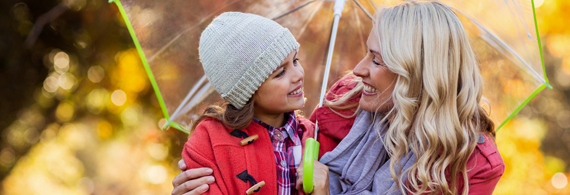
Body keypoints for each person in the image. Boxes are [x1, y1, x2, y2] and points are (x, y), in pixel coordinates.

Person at [173, 1, 505, 194]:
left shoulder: (473, 165)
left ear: (418, 75)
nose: (358, 71)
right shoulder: (347, 102)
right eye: (366, 53)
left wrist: (332, 188)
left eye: (376, 60)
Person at [180, 12, 317, 195]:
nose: (299, 75)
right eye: (280, 73)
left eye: (295, 60)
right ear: (248, 90)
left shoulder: (315, 137)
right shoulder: (209, 142)